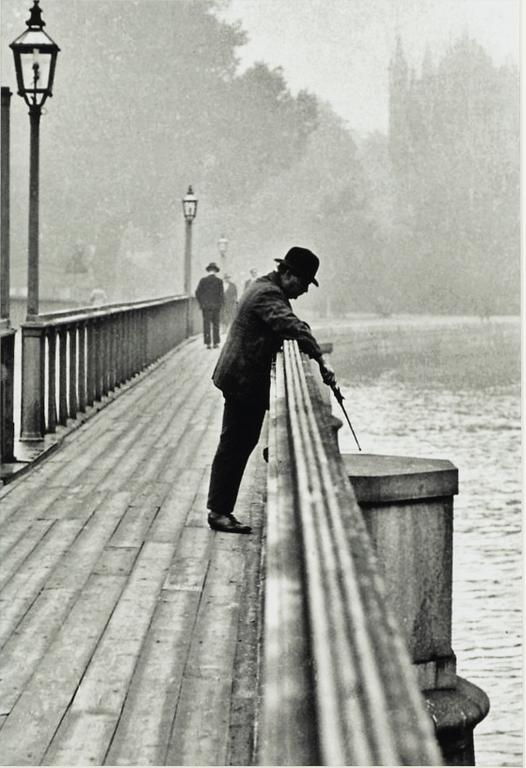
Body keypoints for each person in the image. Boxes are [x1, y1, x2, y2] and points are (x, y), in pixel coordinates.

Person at [207, 246, 336, 534]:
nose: (303, 291)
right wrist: (321, 358)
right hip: (242, 380)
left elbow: (286, 323)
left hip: (241, 377)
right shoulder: (268, 294)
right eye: (303, 283)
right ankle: (218, 511)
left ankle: (222, 505)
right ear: (288, 274)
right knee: (235, 444)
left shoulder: (265, 286)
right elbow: (290, 325)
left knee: (239, 442)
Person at [195, 262, 224, 349]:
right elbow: (221, 294)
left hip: (206, 306)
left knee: (206, 324)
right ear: (215, 271)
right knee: (216, 324)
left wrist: (202, 303)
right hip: (216, 306)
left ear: (208, 270)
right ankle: (215, 343)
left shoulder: (203, 281)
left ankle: (208, 343)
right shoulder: (219, 281)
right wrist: (219, 304)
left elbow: (197, 293)